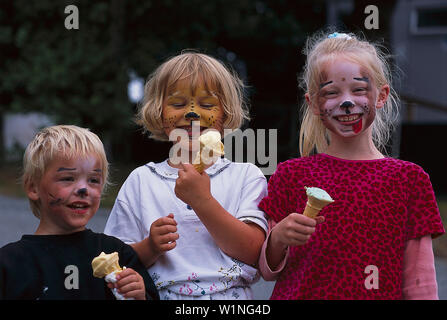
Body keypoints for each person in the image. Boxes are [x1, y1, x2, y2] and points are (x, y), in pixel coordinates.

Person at [258, 32, 445, 300]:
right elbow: (267, 270)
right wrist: (278, 238)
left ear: (381, 96)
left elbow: (420, 283)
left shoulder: (410, 179)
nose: (347, 103)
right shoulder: (291, 175)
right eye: (331, 93)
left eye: (358, 90)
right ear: (313, 104)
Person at [104, 52, 268, 300]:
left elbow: (254, 252)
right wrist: (149, 247)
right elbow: (113, 261)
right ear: (159, 112)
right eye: (178, 104)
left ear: (225, 114)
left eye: (207, 104)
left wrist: (203, 201)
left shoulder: (246, 176)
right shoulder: (141, 181)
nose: (192, 114)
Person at [0, 125, 159, 300]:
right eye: (68, 179)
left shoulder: (117, 253)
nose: (83, 189)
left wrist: (139, 294)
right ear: (33, 188)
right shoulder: (10, 263)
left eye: (93, 180)